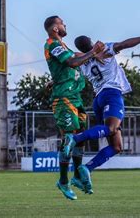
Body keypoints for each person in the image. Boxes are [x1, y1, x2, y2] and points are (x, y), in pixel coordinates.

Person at [63, 29, 140, 193]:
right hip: (112, 94)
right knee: (110, 129)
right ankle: (74, 138)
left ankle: (86, 170)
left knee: (116, 146)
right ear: (92, 43)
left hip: (99, 99)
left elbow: (71, 62)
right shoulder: (103, 50)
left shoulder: (82, 60)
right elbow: (124, 44)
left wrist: (54, 81)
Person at [43, 15, 105, 200]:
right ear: (55, 28)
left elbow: (74, 58)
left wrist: (99, 53)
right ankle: (63, 181)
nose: (65, 25)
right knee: (69, 137)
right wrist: (93, 52)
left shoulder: (62, 46)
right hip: (64, 98)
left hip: (74, 97)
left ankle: (77, 175)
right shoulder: (52, 44)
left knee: (79, 138)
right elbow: (72, 62)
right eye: (62, 22)